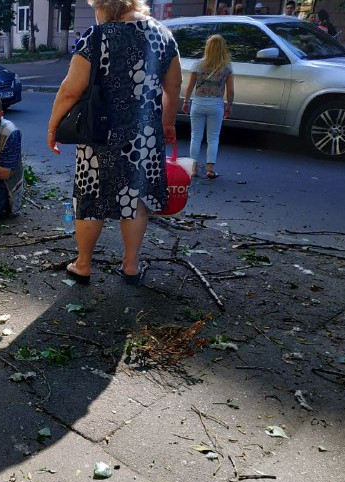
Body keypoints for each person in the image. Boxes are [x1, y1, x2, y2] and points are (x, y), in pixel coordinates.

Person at [46, 0, 181, 286]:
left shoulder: (96, 37)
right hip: (143, 137)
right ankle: (130, 266)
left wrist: (53, 125)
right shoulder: (162, 35)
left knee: (89, 198)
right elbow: (173, 86)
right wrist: (167, 124)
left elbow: (70, 91)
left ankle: (83, 265)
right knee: (135, 199)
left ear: (106, 7)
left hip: (99, 135)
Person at [182, 34, 234, 180]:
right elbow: (230, 91)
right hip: (216, 104)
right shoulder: (226, 67)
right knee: (213, 138)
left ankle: (193, 168)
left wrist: (186, 102)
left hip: (198, 103)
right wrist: (229, 105)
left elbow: (190, 86)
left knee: (195, 136)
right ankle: (210, 169)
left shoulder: (198, 64)